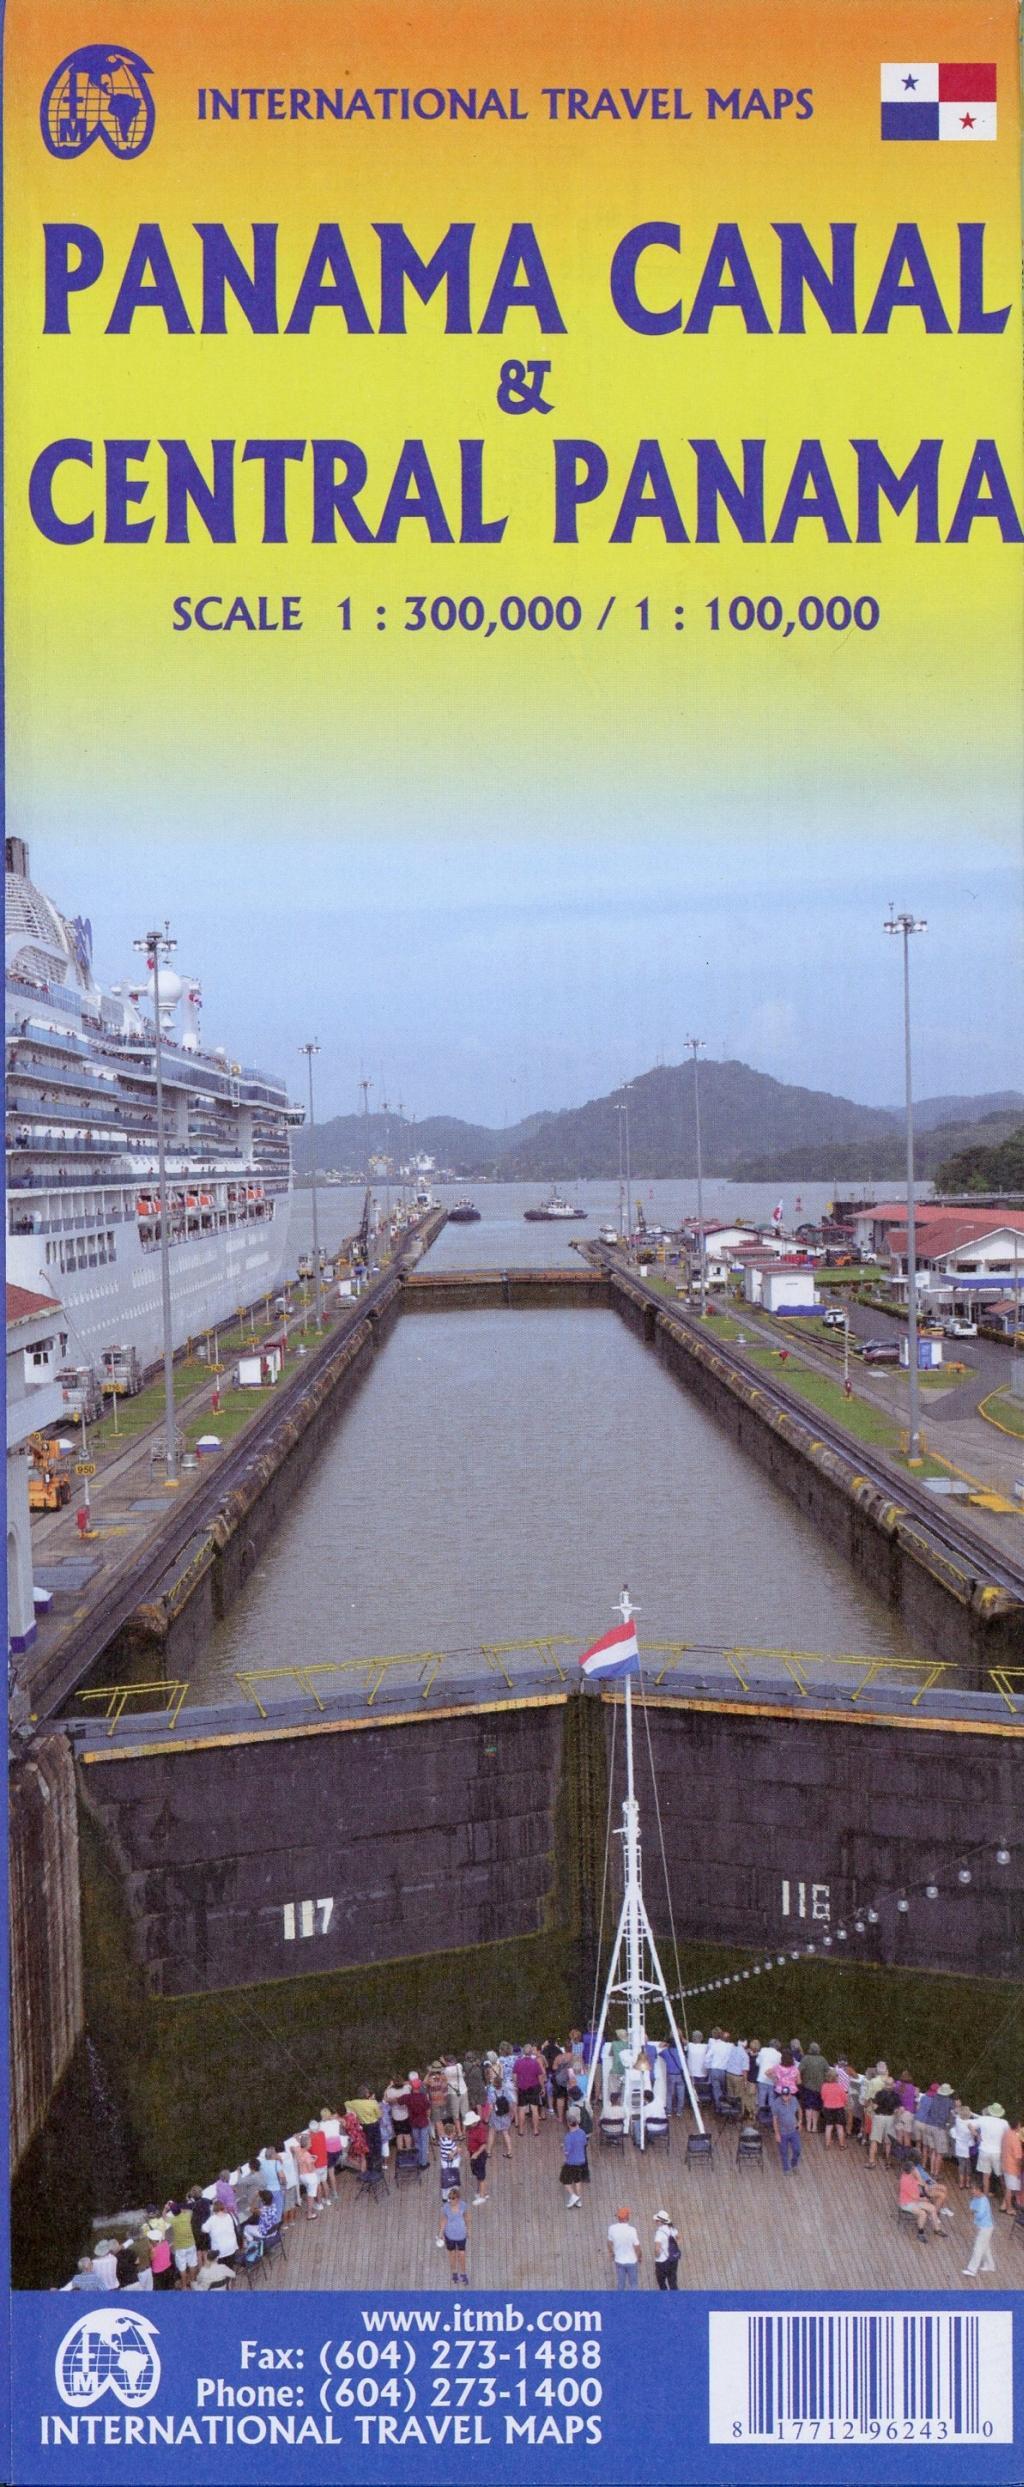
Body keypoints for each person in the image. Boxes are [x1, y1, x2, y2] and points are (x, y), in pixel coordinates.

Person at [973, 2103, 1010, 2197]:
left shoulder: (983, 2119)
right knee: (1001, 2176)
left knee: (986, 2177)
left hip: (984, 2151)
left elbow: (970, 2125)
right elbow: (1008, 2135)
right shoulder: (1004, 2122)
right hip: (997, 2152)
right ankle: (1006, 2198)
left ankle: (985, 2197)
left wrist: (977, 2135)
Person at [963, 2179, 997, 2276]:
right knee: (985, 2247)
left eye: (974, 2189)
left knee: (978, 2248)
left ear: (979, 2190)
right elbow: (971, 2207)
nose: (972, 2191)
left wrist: (974, 2212)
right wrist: (973, 2211)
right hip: (982, 2226)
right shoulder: (975, 2198)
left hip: (986, 2228)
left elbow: (980, 2214)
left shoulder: (983, 2201)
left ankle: (972, 2269)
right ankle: (991, 2266)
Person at [898, 2166, 942, 2239]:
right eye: (914, 2169)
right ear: (911, 2171)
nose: (916, 2170)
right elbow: (913, 2196)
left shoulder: (909, 2176)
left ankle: (937, 2229)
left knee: (932, 2208)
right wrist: (923, 2199)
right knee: (922, 2213)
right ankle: (920, 2233)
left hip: (914, 2201)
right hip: (907, 2203)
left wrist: (925, 2184)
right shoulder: (906, 2181)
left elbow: (920, 2182)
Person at [437, 2187, 470, 2285]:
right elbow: (443, 2220)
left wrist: (468, 2230)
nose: (450, 2200)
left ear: (458, 2198)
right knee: (452, 2254)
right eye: (449, 2198)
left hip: (461, 2234)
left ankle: (463, 2273)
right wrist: (440, 2233)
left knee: (462, 2255)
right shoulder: (446, 2207)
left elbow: (467, 2217)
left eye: (452, 2198)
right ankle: (454, 2272)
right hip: (449, 2235)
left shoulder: (463, 2205)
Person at [559, 2108, 589, 2208]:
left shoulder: (568, 2137)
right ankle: (579, 2201)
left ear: (568, 2124)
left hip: (571, 2162)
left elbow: (567, 2152)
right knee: (577, 2181)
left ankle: (573, 2196)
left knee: (564, 2180)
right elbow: (584, 2143)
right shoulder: (582, 2133)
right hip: (581, 2160)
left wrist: (563, 2148)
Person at [798, 2039, 829, 2134]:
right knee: (816, 2107)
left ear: (810, 2049)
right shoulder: (823, 2060)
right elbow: (828, 2072)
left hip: (807, 2086)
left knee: (808, 2106)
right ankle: (814, 2126)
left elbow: (799, 2070)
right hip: (819, 2087)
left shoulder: (805, 2058)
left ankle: (808, 2126)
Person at [607, 2206, 642, 2290]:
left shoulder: (611, 2228)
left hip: (619, 2260)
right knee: (633, 2284)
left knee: (620, 2284)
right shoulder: (632, 2230)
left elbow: (609, 2243)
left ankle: (620, 2301)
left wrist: (611, 2252)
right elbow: (637, 2247)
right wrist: (639, 2257)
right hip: (632, 2261)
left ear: (618, 2218)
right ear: (627, 2217)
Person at [167, 2199, 199, 2289]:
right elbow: (190, 2209)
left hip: (180, 2247)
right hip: (191, 2244)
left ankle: (184, 2286)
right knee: (192, 2264)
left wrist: (166, 2208)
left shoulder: (173, 2220)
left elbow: (164, 2217)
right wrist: (180, 2207)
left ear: (172, 2213)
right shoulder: (187, 2216)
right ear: (180, 2209)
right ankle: (193, 2282)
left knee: (182, 2268)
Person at [514, 2044, 544, 2135]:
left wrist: (516, 2085)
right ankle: (535, 2130)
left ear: (523, 2052)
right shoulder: (535, 2062)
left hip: (522, 2087)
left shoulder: (518, 2062)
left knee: (522, 2109)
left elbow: (515, 2076)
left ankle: (521, 2130)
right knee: (534, 2109)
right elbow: (540, 2076)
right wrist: (542, 2087)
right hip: (534, 2087)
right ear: (531, 2052)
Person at [465, 2106, 490, 2205]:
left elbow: (484, 2144)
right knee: (478, 2174)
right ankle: (482, 2192)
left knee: (481, 2176)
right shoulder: (472, 2128)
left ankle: (482, 2196)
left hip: (479, 2155)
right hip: (473, 2153)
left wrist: (476, 2154)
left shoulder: (480, 2130)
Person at [772, 2090, 801, 2174]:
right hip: (782, 2132)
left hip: (793, 2130)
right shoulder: (776, 2104)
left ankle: (794, 2164)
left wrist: (800, 2121)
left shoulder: (794, 2100)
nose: (785, 2097)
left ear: (790, 2095)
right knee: (784, 2151)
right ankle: (786, 2169)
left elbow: (799, 2110)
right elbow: (775, 2120)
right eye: (783, 2095)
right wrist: (777, 2134)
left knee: (797, 2149)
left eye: (787, 2095)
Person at [407, 2074, 432, 2169]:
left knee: (417, 2142)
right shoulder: (423, 2097)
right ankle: (423, 2163)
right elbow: (428, 2109)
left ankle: (418, 2160)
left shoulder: (409, 2097)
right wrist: (428, 2117)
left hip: (414, 2123)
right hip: (423, 2122)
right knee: (424, 2142)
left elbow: (398, 2100)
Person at [652, 2209, 681, 2290]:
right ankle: (675, 2300)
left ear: (660, 2221)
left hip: (662, 2261)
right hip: (673, 2259)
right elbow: (679, 2239)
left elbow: (657, 2249)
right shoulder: (673, 2229)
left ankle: (665, 2299)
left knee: (661, 2282)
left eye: (657, 2220)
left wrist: (656, 2256)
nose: (655, 2221)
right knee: (673, 2282)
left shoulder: (659, 2233)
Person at [820, 2069, 847, 2148]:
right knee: (839, 2127)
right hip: (839, 2108)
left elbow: (823, 2097)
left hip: (828, 2108)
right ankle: (842, 2145)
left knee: (829, 2126)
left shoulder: (824, 2086)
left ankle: (827, 2144)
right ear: (836, 2078)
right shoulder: (839, 2087)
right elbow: (844, 2098)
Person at [1000, 2117, 1022, 2214]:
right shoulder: (1015, 2140)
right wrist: (1020, 2169)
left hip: (1005, 2163)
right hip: (1012, 2167)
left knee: (1009, 2186)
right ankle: (1009, 2209)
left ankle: (1004, 2205)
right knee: (1011, 2189)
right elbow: (1018, 2158)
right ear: (1017, 2126)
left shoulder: (1007, 2133)